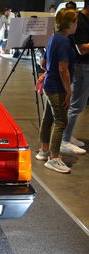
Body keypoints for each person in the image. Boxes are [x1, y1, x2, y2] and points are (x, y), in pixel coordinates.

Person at [36, 8, 78, 173]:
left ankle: (44, 150)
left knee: (48, 119)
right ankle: (54, 158)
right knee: (61, 121)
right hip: (57, 88)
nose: (76, 26)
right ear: (70, 23)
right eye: (75, 22)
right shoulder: (64, 41)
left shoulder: (53, 38)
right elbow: (63, 69)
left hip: (49, 85)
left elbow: (43, 63)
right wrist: (68, 90)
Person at [61, 0, 89, 154]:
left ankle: (67, 136)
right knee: (76, 105)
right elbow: (82, 48)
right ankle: (64, 139)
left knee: (78, 105)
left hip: (83, 67)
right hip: (82, 68)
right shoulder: (81, 22)